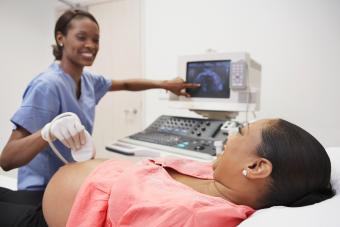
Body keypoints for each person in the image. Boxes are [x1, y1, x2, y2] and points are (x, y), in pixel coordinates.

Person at [0, 9, 199, 192]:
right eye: (81, 37)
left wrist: (166, 84)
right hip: (43, 192)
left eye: (96, 39)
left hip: (71, 183)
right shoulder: (47, 85)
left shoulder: (88, 80)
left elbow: (126, 84)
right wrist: (48, 132)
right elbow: (7, 159)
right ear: (60, 38)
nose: (91, 45)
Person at [40, 118, 335, 227]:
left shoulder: (193, 219)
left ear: (256, 167)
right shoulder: (218, 176)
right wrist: (89, 160)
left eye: (239, 132)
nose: (228, 138)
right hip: (75, 181)